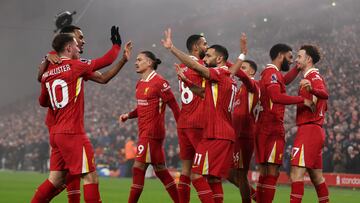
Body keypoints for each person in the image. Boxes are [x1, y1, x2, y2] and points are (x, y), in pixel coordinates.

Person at [31, 32, 131, 203]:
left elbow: (42, 102)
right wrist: (116, 46)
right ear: (69, 48)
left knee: (55, 180)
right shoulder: (76, 65)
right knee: (91, 178)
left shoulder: (47, 74)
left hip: (56, 134)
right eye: (76, 45)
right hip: (72, 132)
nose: (79, 48)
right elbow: (105, 61)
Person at [162, 28, 246, 203]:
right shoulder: (227, 76)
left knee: (196, 174)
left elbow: (196, 66)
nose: (205, 57)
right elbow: (203, 92)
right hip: (214, 130)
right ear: (195, 47)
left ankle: (252, 194)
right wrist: (242, 56)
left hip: (212, 131)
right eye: (205, 50)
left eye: (209, 54)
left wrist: (172, 48)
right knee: (212, 177)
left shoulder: (216, 73)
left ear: (219, 59)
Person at [255, 43, 314, 203]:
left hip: (264, 126)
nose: (292, 60)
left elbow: (284, 81)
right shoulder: (272, 73)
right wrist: (303, 100)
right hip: (271, 127)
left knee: (266, 172)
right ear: (280, 55)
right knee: (272, 172)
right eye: (289, 57)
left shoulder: (270, 73)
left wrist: (297, 67)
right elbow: (277, 97)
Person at [119, 51, 180, 203]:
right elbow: (142, 107)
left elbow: (174, 106)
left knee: (138, 167)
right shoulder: (139, 83)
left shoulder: (160, 82)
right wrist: (129, 115)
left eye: (139, 60)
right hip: (144, 132)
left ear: (150, 63)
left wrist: (182, 127)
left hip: (152, 132)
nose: (136, 62)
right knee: (160, 171)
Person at [290, 45, 329, 203]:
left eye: (299, 57)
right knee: (316, 177)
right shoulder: (310, 77)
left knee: (296, 174)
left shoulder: (313, 76)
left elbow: (324, 94)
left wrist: (312, 89)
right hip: (314, 130)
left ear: (308, 59)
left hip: (309, 130)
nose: (296, 60)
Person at [176, 34, 208, 203]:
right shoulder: (201, 66)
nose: (207, 48)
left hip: (184, 122)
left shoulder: (182, 66)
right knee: (204, 172)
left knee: (185, 171)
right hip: (198, 122)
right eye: (205, 44)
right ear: (196, 47)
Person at [227, 59, 259, 203]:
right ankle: (258, 197)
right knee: (228, 173)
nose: (240, 69)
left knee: (241, 174)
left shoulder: (252, 85)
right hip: (236, 135)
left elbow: (242, 76)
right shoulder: (240, 89)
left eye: (244, 67)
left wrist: (226, 61)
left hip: (244, 135)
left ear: (251, 71)